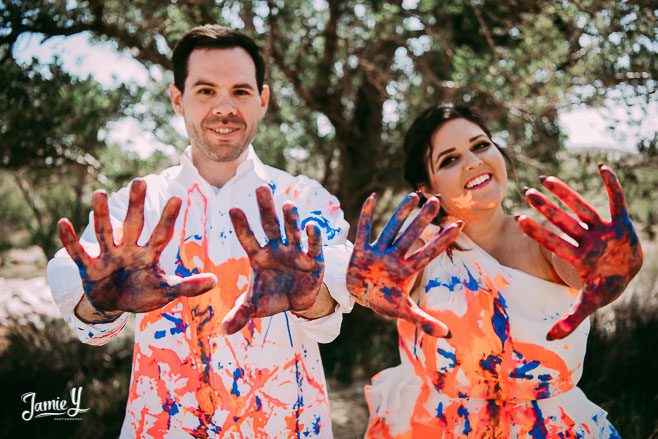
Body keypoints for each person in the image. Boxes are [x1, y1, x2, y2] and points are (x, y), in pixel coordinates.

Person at [47, 25, 353, 438]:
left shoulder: (304, 201)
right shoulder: (139, 205)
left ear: (262, 100)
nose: (224, 107)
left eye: (241, 91)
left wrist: (310, 299)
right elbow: (82, 304)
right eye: (206, 90)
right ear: (178, 98)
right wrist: (102, 303)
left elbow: (334, 301)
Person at [346, 105, 643, 437]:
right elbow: (384, 289)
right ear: (428, 189)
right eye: (449, 159)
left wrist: (613, 271)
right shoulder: (421, 250)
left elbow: (588, 274)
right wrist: (364, 290)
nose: (473, 162)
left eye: (480, 145)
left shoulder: (543, 237)